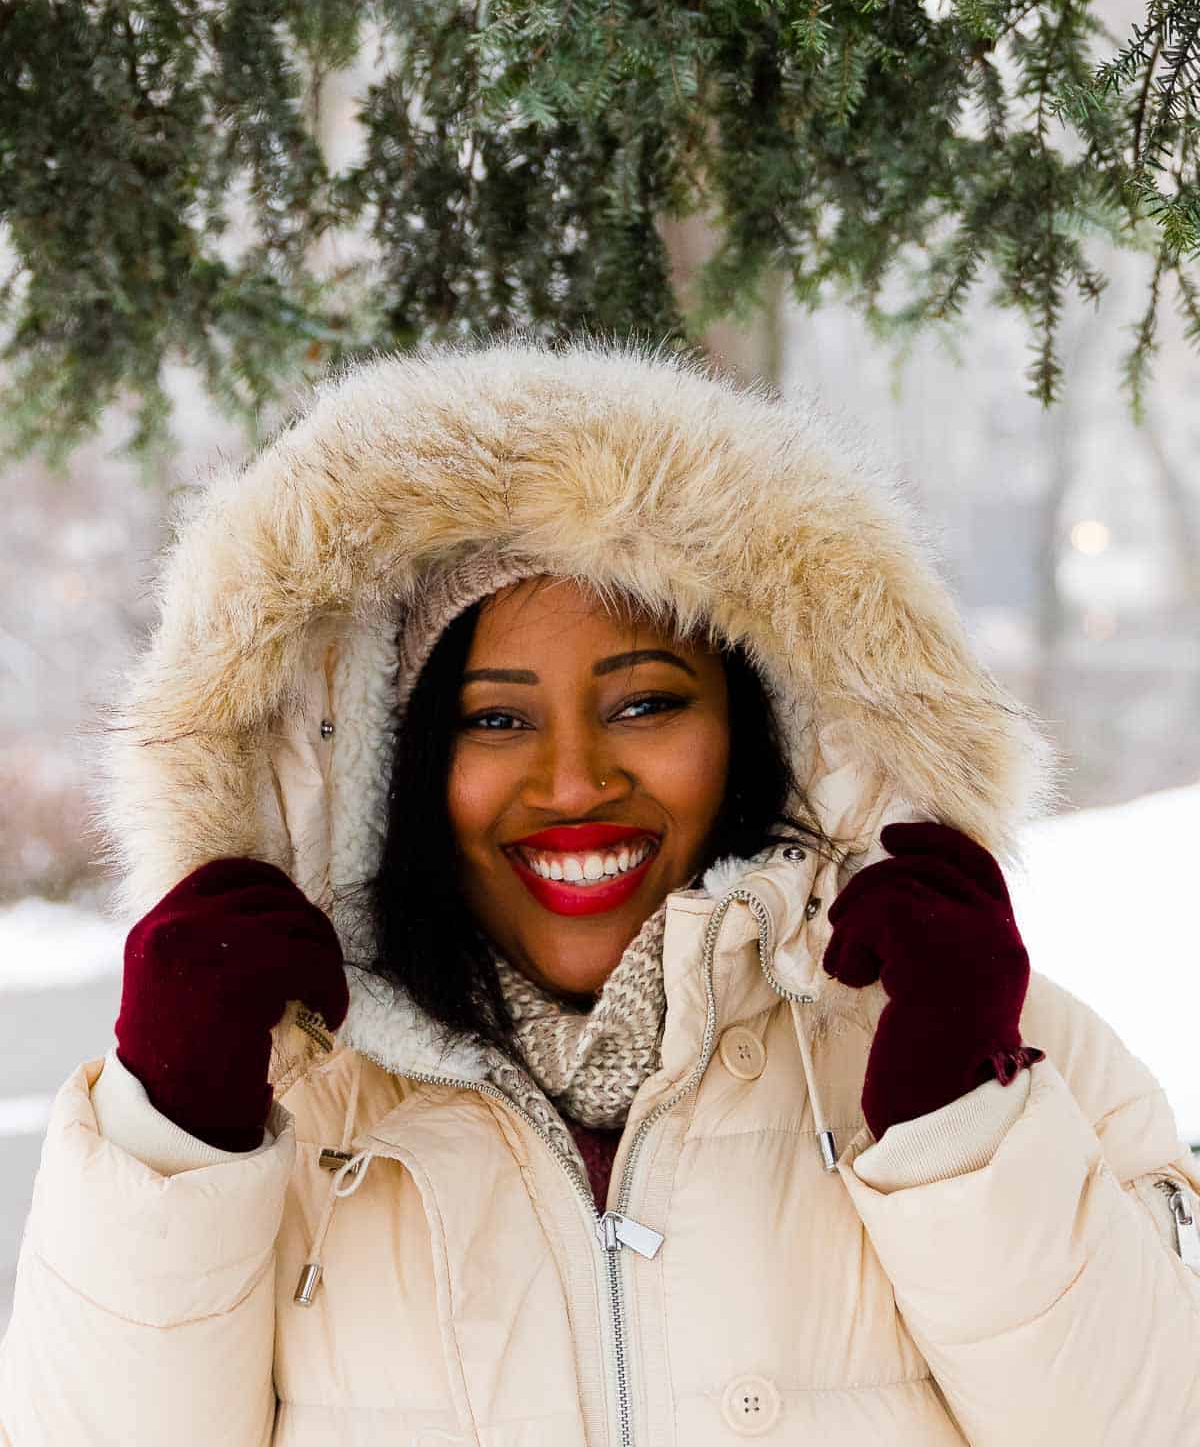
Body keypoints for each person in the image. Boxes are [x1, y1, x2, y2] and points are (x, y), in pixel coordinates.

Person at [1, 336, 1197, 1447]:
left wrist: (964, 1135)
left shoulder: (1007, 1055)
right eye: (496, 718)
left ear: (762, 726)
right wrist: (176, 1143)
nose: (574, 780)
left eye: (646, 703)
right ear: (398, 768)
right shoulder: (275, 1097)